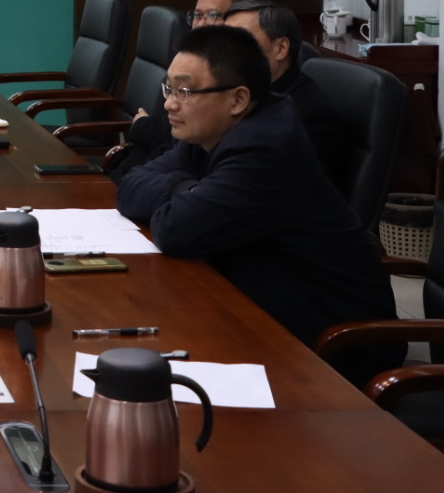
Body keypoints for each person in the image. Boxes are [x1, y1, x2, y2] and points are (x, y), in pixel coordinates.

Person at [115, 26, 399, 385]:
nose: (170, 104)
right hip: (261, 308)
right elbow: (129, 186)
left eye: (185, 91)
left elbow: (173, 229)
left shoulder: (265, 147)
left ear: (237, 99)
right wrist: (188, 187)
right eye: (168, 89)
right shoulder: (210, 128)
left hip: (335, 348)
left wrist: (184, 191)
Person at [107, 0, 255, 180]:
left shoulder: (234, 82)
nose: (200, 24)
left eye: (212, 15)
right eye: (197, 15)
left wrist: (142, 127)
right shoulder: (186, 64)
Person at [222, 0, 349, 186]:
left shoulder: (305, 116)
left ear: (281, 48)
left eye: (241, 40)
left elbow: (255, 187)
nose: (224, 53)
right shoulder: (237, 92)